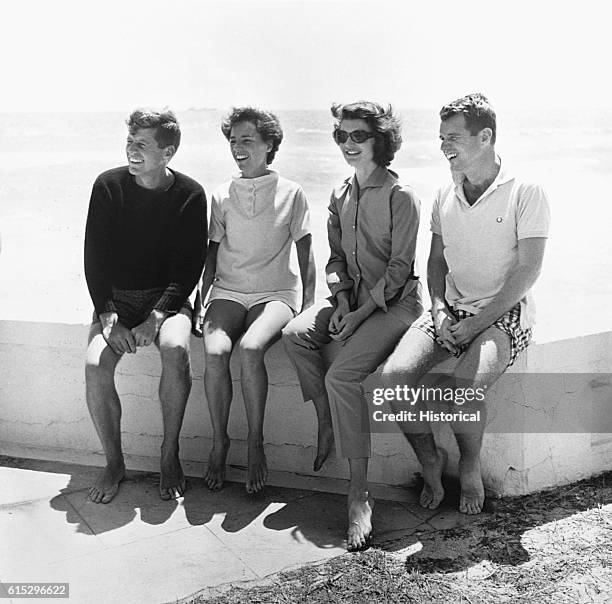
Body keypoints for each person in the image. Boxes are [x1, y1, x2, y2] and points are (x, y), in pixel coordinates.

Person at [380, 93, 550, 515]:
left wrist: (478, 325)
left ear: (485, 137)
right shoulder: (444, 193)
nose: (443, 147)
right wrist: (438, 309)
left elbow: (527, 272)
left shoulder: (526, 191)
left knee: (463, 393)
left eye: (453, 137)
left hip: (502, 313)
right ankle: (429, 458)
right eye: (441, 138)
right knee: (391, 382)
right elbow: (435, 262)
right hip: (450, 309)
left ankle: (470, 466)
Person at [282, 101, 423, 551]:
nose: (348, 144)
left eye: (358, 136)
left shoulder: (402, 197)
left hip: (396, 306)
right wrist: (342, 300)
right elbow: (337, 259)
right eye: (341, 136)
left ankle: (358, 492)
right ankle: (326, 416)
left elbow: (400, 269)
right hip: (354, 302)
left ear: (381, 141)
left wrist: (361, 313)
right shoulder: (340, 194)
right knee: (294, 335)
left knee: (342, 374)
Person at [84, 108, 207, 503]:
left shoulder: (190, 194)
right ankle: (114, 462)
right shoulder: (108, 185)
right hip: (116, 301)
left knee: (174, 348)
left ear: (168, 152)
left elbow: (190, 267)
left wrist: (156, 316)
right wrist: (108, 318)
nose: (131, 150)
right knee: (94, 365)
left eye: (142, 144)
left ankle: (169, 453)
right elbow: (94, 258)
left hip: (167, 300)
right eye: (129, 142)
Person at [195, 107, 316, 494]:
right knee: (214, 353)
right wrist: (201, 299)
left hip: (276, 292)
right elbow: (212, 255)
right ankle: (220, 441)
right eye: (233, 140)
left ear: (269, 144)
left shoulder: (292, 192)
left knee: (250, 348)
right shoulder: (221, 195)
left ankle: (256, 444)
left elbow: (306, 252)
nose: (238, 147)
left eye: (248, 140)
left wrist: (309, 305)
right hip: (229, 291)